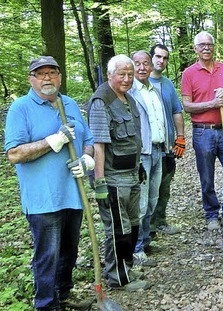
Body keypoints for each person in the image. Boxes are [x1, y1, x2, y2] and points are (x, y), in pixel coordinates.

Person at [4, 56, 94, 310]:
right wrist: (52, 141)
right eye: (40, 74)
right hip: (43, 199)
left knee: (70, 251)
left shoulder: (70, 104)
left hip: (73, 193)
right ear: (31, 79)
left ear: (60, 77)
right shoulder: (21, 108)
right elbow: (15, 154)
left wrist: (87, 158)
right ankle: (45, 303)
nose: (47, 78)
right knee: (47, 255)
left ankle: (63, 294)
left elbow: (88, 137)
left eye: (52, 73)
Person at [87, 54, 150, 291]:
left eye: (130, 75)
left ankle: (127, 267)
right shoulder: (101, 101)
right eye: (121, 74)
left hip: (132, 175)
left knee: (133, 226)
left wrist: (139, 167)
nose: (126, 79)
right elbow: (99, 145)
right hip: (113, 180)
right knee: (118, 230)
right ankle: (117, 278)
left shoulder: (128, 100)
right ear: (110, 74)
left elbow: (133, 140)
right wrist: (100, 181)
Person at [181, 31, 223, 231]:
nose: (206, 47)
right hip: (202, 132)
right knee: (207, 176)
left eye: (209, 44)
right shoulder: (189, 73)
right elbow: (187, 106)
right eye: (202, 45)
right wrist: (212, 103)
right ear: (195, 49)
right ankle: (211, 214)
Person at [128, 50, 172, 268]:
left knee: (153, 199)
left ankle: (145, 240)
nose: (142, 67)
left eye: (145, 63)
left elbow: (160, 120)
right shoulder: (130, 92)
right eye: (138, 64)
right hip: (142, 153)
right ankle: (136, 249)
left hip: (158, 150)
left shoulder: (153, 89)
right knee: (142, 202)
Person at [149, 44, 185, 236]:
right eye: (157, 56)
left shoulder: (168, 84)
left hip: (167, 146)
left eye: (164, 58)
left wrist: (180, 138)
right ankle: (149, 228)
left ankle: (160, 220)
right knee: (149, 190)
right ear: (150, 57)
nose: (161, 61)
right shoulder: (139, 84)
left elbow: (176, 111)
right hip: (148, 148)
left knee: (165, 186)